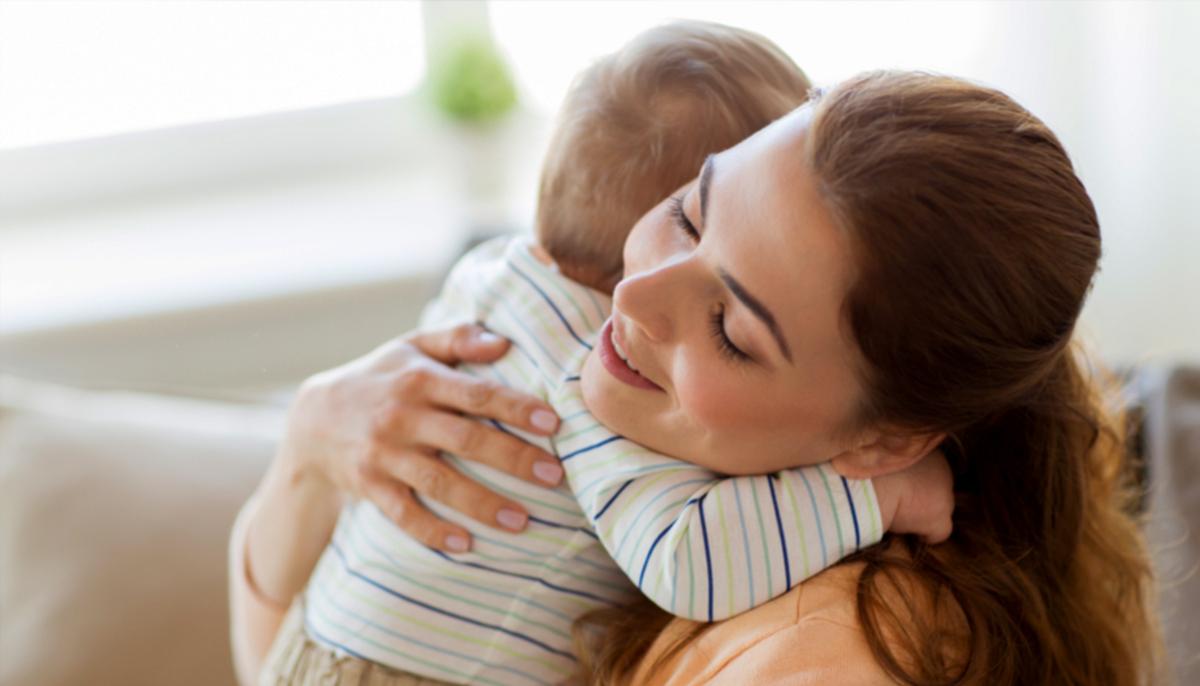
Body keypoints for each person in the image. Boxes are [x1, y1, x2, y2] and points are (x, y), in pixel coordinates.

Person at [232, 50, 1162, 686]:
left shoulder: (821, 649)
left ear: (887, 444)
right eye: (687, 210)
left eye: (731, 328)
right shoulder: (662, 442)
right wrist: (310, 453)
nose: (631, 299)